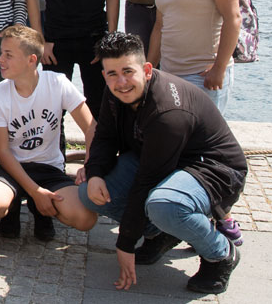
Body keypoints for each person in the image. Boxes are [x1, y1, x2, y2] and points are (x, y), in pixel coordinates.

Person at [78, 32, 246, 294]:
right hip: (157, 159)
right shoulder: (115, 92)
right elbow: (106, 137)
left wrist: (125, 244)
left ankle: (220, 253)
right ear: (104, 75)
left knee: (165, 205)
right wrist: (95, 172)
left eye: (127, 71)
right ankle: (160, 233)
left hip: (211, 169)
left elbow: (146, 181)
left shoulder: (168, 112)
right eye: (112, 74)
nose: (121, 82)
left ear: (146, 70)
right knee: (89, 193)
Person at [149, 0, 245, 246]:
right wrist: (150, 68)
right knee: (177, 152)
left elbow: (232, 18)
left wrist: (219, 66)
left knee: (205, 155)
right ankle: (185, 216)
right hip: (171, 76)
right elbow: (161, 26)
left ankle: (222, 219)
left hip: (203, 76)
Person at [0, 25, 97, 240]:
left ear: (32, 60)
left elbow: (91, 128)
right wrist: (34, 191)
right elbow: (2, 152)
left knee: (85, 218)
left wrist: (89, 166)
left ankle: (39, 208)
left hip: (48, 168)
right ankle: (12, 206)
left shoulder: (57, 83)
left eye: (8, 55)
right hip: (10, 168)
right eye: (1, 53)